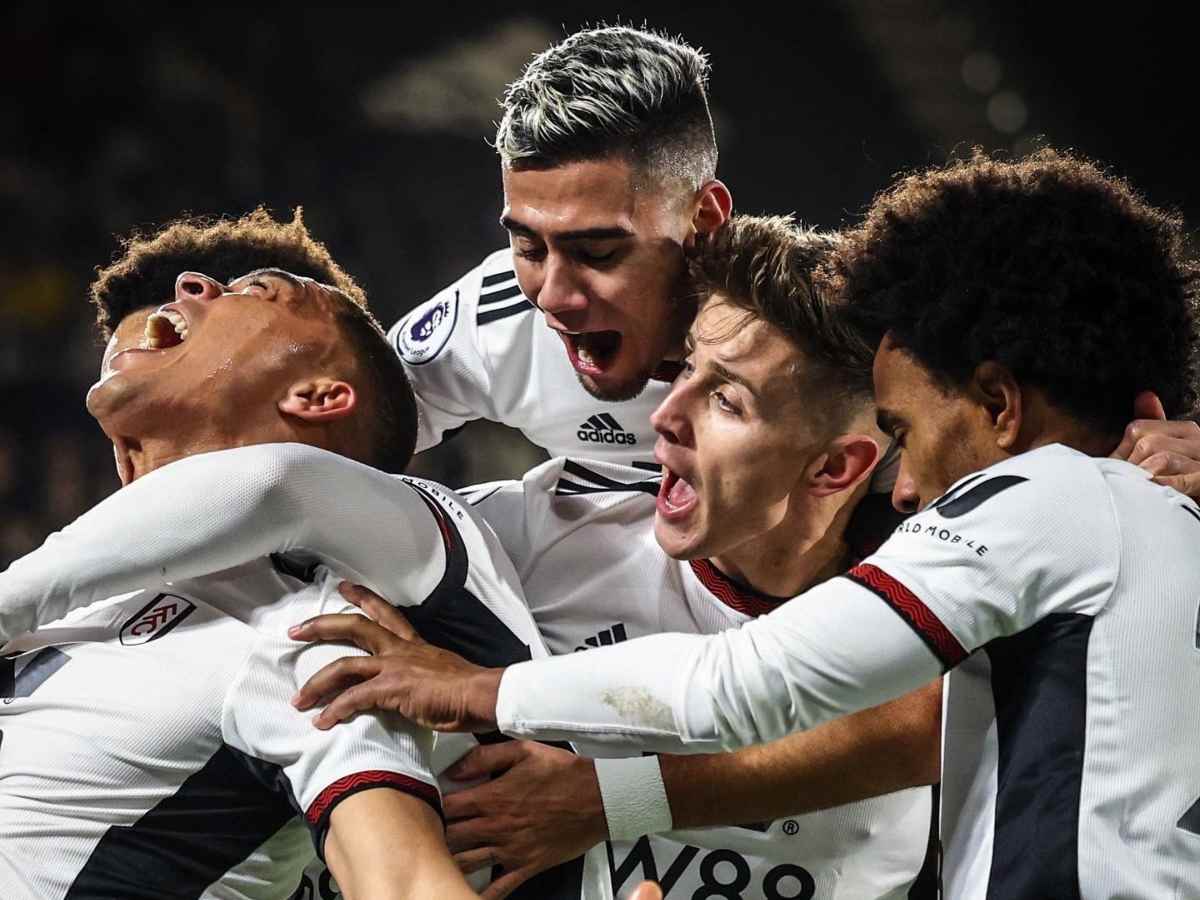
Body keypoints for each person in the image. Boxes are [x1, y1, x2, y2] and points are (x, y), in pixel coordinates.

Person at [290, 150, 1200, 898]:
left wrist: (491, 702)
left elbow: (747, 685)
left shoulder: (1050, 504)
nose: (910, 483)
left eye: (906, 433)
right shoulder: (526, 537)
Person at [0, 262, 559, 898]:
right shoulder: (84, 610)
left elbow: (403, 882)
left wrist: (631, 797)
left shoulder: (317, 628)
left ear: (319, 396)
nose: (194, 286)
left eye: (252, 290)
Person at [391, 25, 729, 463]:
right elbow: (316, 451)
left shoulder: (812, 346)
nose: (552, 297)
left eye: (597, 253)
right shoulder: (494, 318)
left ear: (702, 221)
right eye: (528, 247)